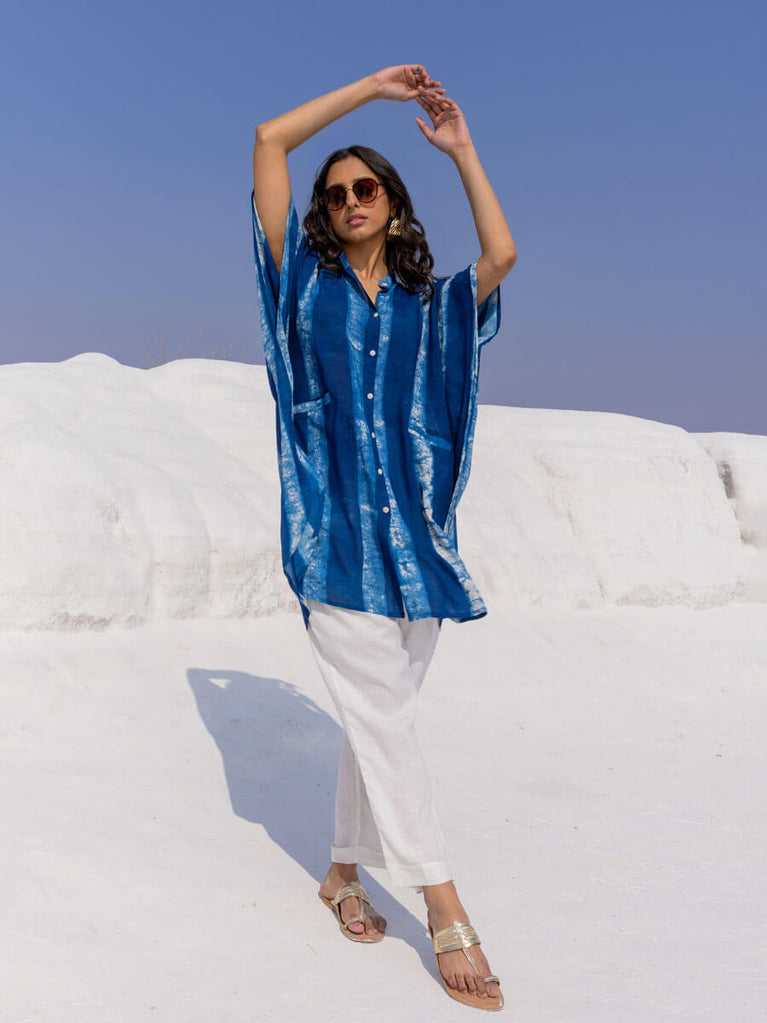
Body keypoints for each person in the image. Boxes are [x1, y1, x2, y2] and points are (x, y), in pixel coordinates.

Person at [251, 64, 516, 1011]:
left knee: (379, 720)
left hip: (417, 549)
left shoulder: (429, 304)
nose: (350, 201)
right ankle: (445, 905)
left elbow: (500, 254)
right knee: (388, 720)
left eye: (366, 187)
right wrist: (370, 89)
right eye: (336, 194)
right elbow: (269, 139)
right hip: (330, 537)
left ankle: (340, 873)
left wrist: (460, 150)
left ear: (392, 202)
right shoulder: (299, 284)